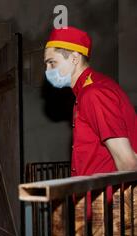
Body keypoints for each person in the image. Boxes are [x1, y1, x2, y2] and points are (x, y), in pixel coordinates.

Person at [44, 26, 137, 176]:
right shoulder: (91, 88)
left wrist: (117, 200)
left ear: (74, 58)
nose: (47, 70)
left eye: (52, 62)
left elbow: (128, 163)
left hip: (105, 197)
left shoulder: (93, 93)